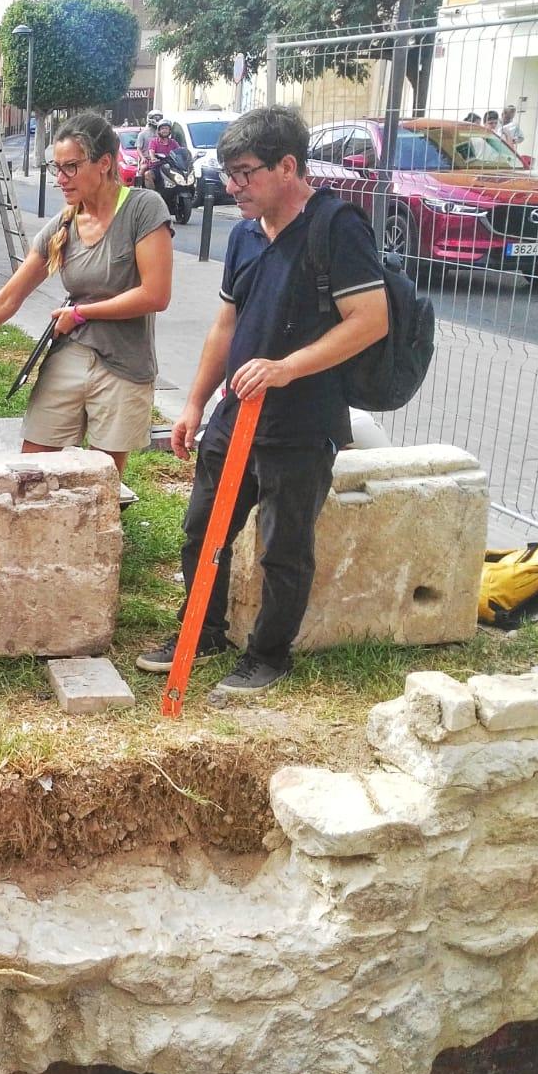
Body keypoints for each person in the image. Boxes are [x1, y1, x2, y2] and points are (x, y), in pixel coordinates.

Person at [135, 106, 388, 696]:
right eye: (228, 173)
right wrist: (195, 403)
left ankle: (268, 655)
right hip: (235, 415)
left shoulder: (337, 228)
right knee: (203, 529)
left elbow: (369, 320)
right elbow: (226, 325)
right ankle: (202, 629)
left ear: (288, 166)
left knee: (284, 545)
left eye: (245, 173)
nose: (232, 187)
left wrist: (286, 368)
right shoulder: (246, 233)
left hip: (302, 422)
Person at [0, 111, 173, 477]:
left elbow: (155, 295)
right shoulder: (64, 224)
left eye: (71, 167)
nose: (61, 179)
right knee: (33, 469)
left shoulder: (143, 209)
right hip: (72, 352)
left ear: (104, 163)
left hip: (124, 362)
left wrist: (84, 314)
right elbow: (9, 297)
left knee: (100, 482)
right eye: (57, 168)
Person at [142, 119, 183, 190]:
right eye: (162, 128)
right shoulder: (154, 142)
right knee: (147, 175)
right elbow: (151, 151)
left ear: (170, 131)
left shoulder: (173, 142)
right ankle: (153, 196)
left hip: (171, 168)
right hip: (158, 167)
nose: (164, 130)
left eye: (166, 128)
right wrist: (153, 158)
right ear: (159, 131)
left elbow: (179, 152)